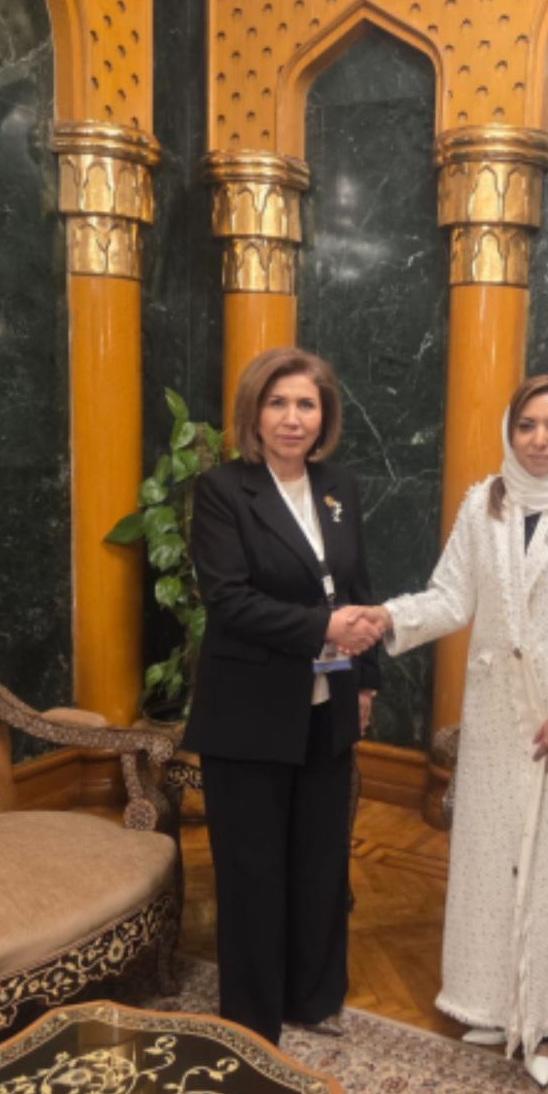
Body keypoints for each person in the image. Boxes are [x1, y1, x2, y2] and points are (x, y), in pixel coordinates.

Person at [369, 374, 548, 1086]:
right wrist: (387, 618)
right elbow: (451, 597)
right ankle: (497, 1003)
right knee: (493, 856)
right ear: (510, 429)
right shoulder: (485, 503)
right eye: (527, 424)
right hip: (499, 719)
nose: (539, 440)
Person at [183, 347, 384, 1044]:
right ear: (254, 413)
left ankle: (312, 997)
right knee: (253, 869)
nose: (292, 418)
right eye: (277, 403)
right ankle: (252, 1020)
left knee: (320, 859)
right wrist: (323, 628)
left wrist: (366, 680)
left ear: (324, 415)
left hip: (328, 704)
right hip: (250, 710)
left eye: (305, 404)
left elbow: (357, 587)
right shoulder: (222, 491)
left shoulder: (339, 487)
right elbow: (229, 599)